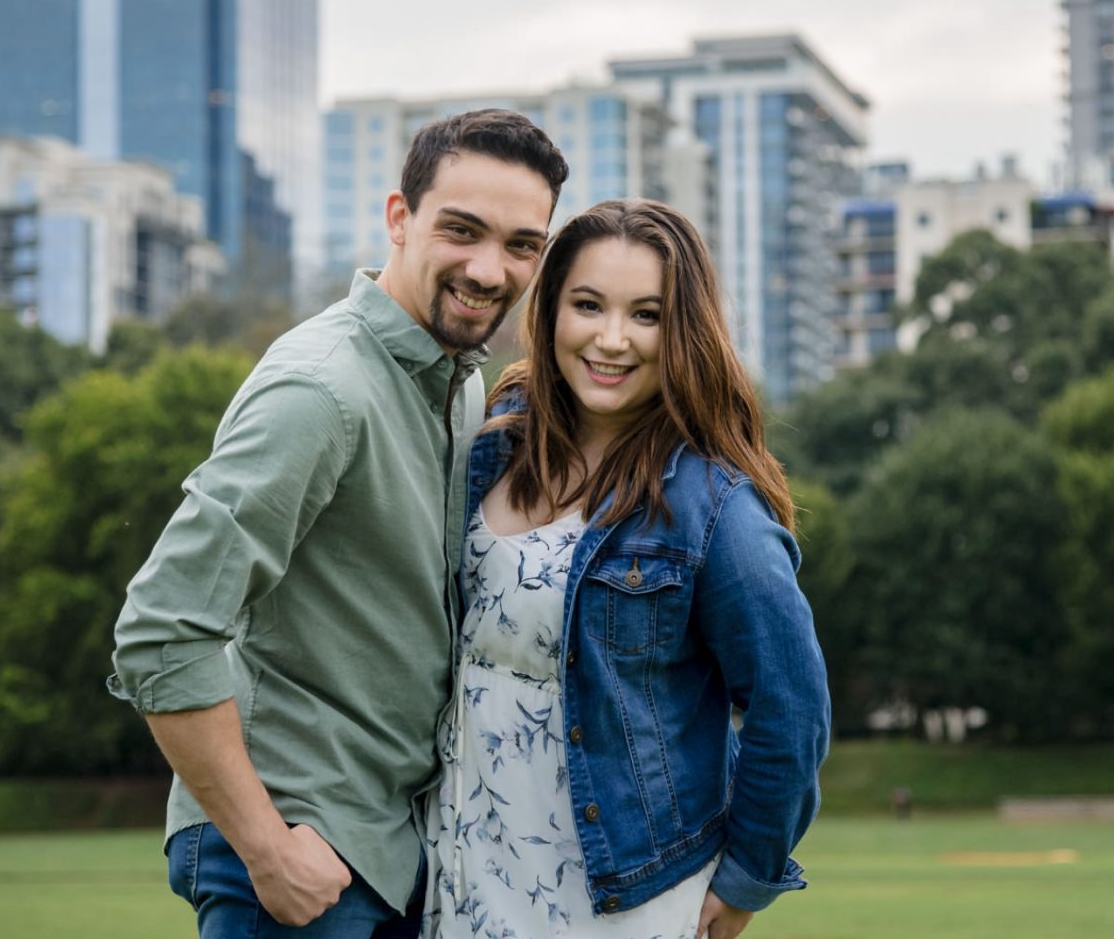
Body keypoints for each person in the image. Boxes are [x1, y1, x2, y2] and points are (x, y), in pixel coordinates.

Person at [108, 109, 568, 939]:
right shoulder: (321, 391)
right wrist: (266, 846)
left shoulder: (460, 383)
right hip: (297, 855)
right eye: (460, 230)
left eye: (521, 245)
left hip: (388, 848)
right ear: (399, 217)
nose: (488, 267)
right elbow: (161, 630)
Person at [423, 199, 830, 939]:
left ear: (682, 332)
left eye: (646, 314)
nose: (612, 339)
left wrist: (745, 879)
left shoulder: (715, 509)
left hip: (620, 894)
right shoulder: (491, 444)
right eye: (587, 305)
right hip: (462, 865)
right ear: (550, 312)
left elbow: (791, 705)